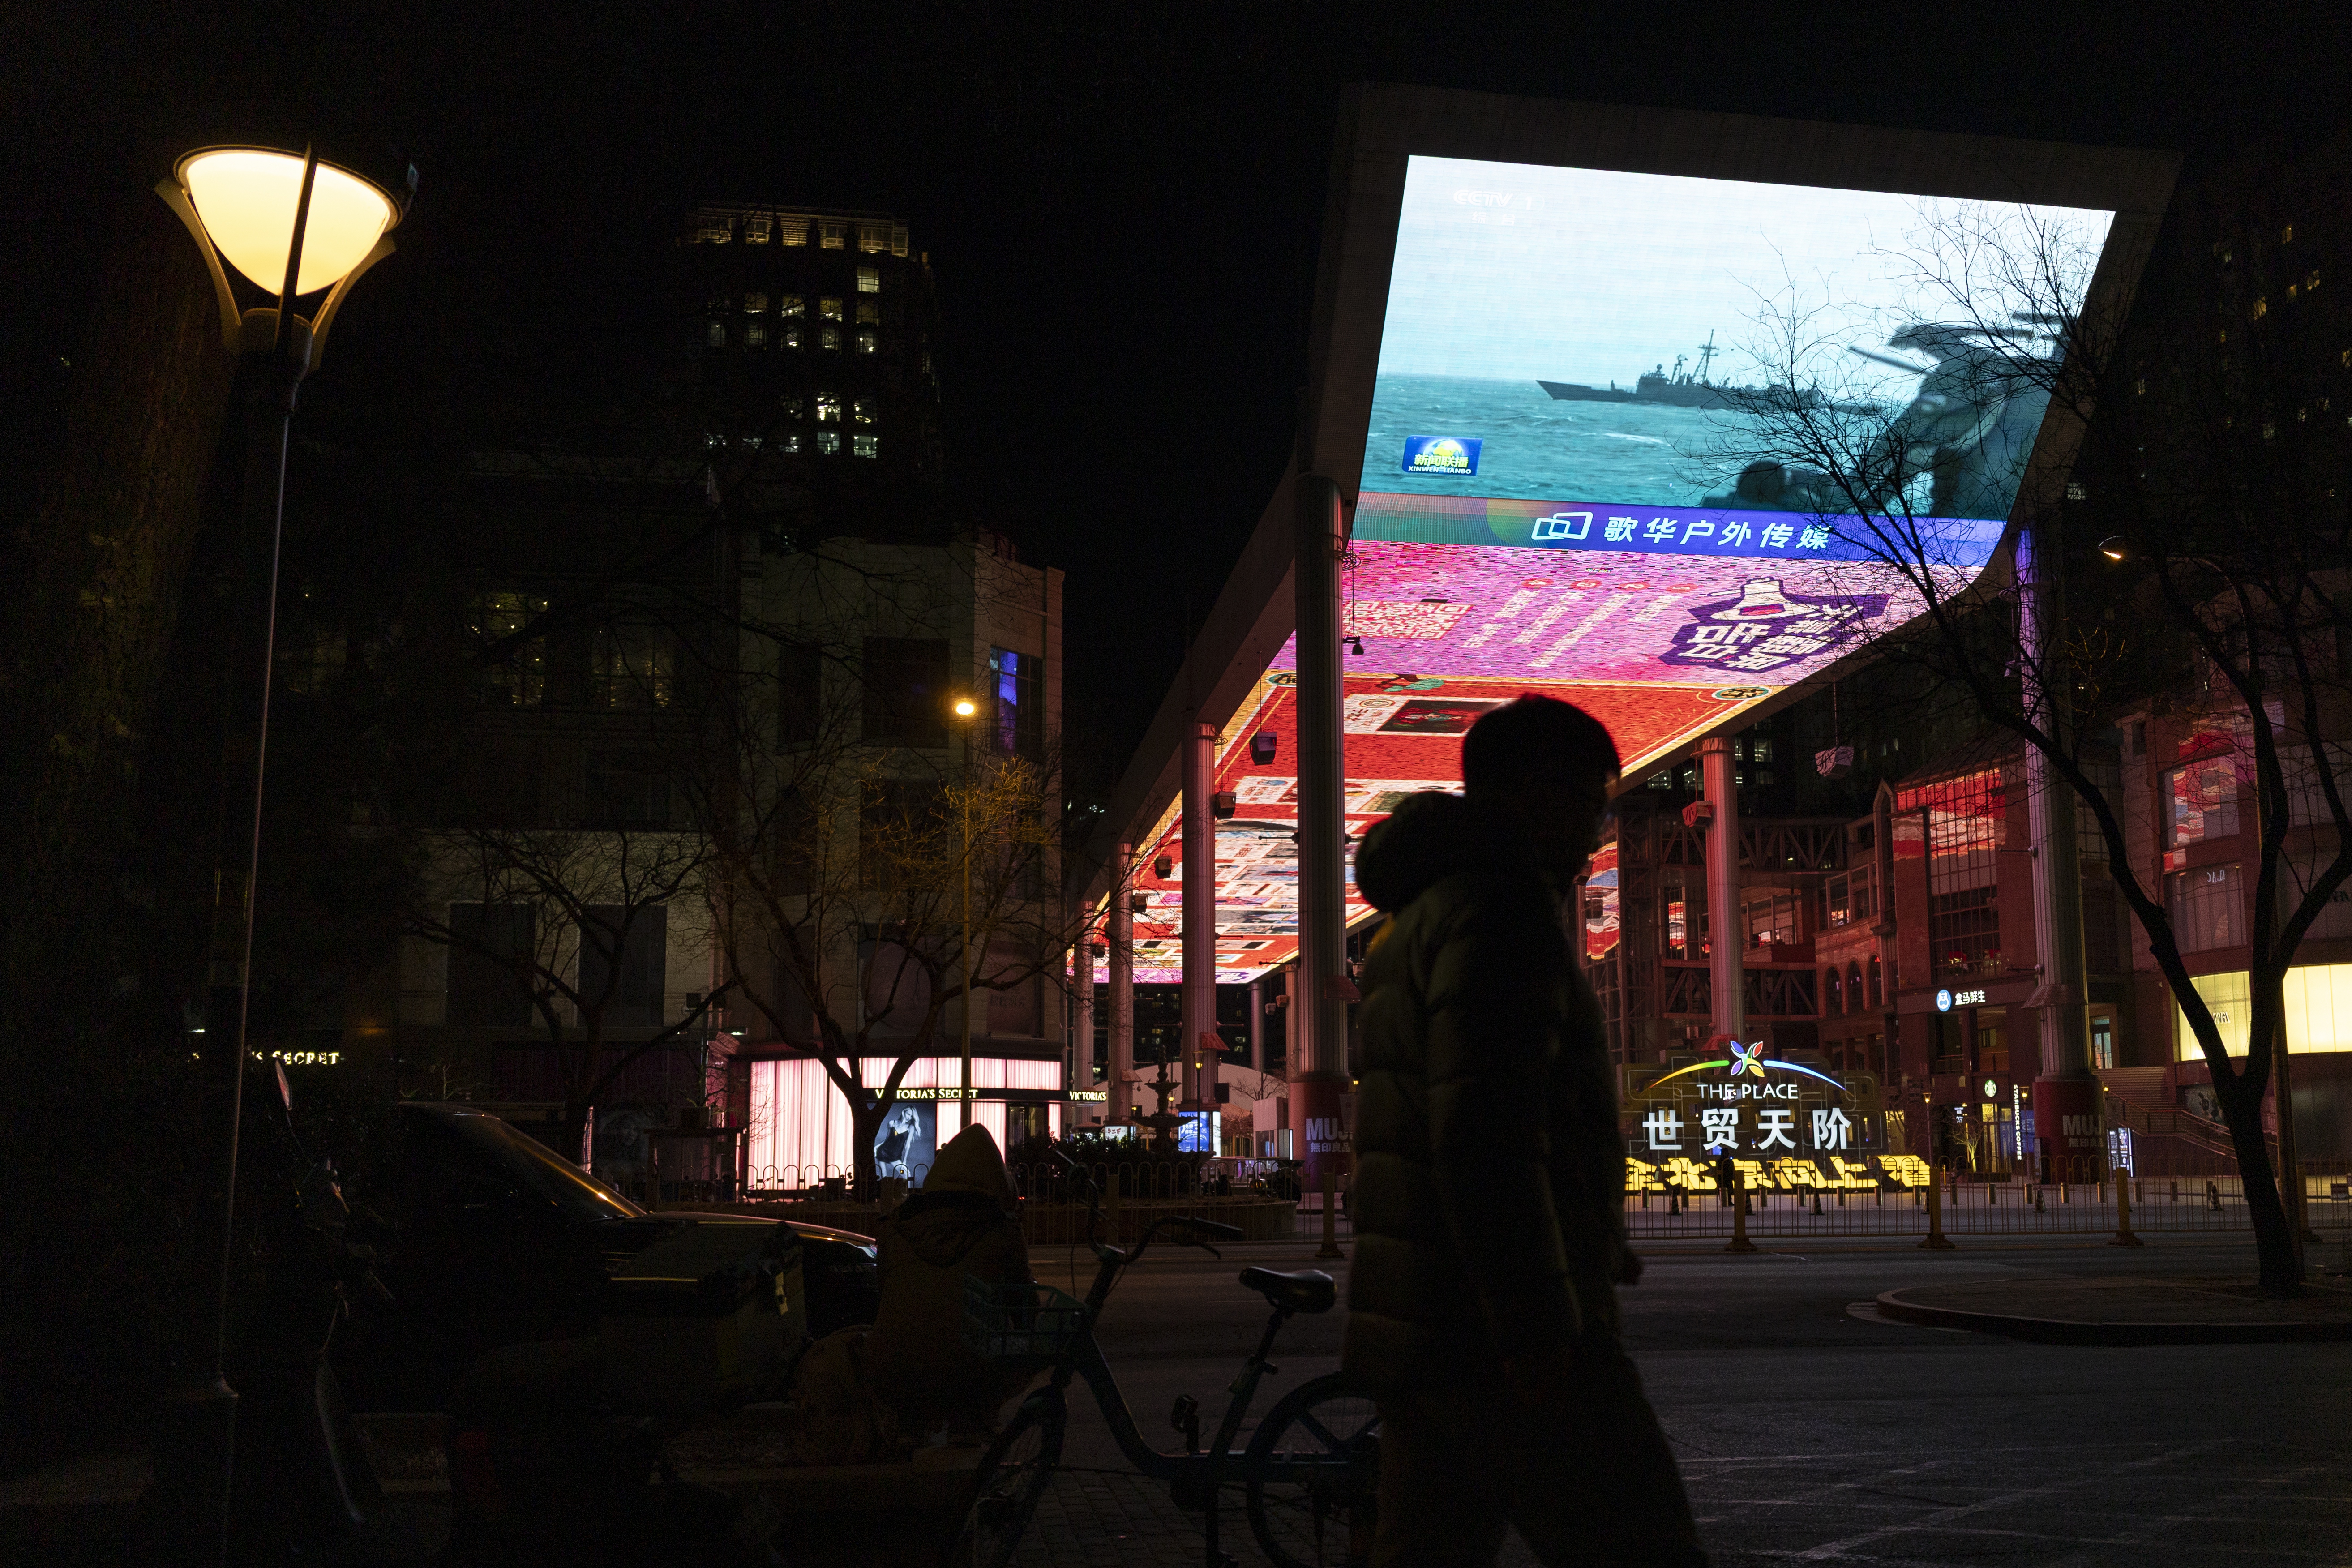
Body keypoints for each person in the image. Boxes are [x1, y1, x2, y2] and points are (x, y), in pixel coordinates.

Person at [1345, 696, 1708, 1567]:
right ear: (1537, 795)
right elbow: (1486, 1138)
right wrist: (1539, 1325)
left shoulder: (1416, 914)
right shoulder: (1499, 917)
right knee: (1641, 1546)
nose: (1597, 831)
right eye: (1593, 803)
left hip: (1422, 1328)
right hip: (1503, 1338)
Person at [859, 1124, 1035, 1441]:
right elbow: (1025, 1309)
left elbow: (885, 1295)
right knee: (981, 1393)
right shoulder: (1003, 1232)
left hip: (895, 1370)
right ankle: (970, 1443)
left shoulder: (894, 1229)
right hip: (974, 1375)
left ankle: (910, 1443)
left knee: (908, 1430)